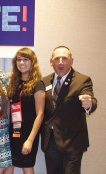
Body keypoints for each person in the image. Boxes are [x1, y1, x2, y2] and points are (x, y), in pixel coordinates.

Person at [41, 46, 97, 174]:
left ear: (71, 61)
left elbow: (91, 100)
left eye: (64, 58)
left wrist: (89, 104)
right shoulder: (44, 81)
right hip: (51, 141)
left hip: (72, 141)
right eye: (57, 59)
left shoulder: (82, 80)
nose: (60, 62)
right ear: (51, 61)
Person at [4, 48, 45, 174]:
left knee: (27, 167)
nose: (22, 63)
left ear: (33, 62)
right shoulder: (13, 82)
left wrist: (30, 140)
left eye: (25, 59)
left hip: (28, 133)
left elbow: (40, 114)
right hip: (13, 131)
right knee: (8, 167)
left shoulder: (38, 84)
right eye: (19, 60)